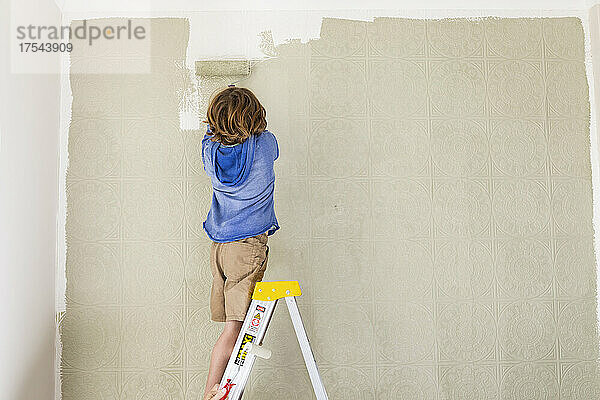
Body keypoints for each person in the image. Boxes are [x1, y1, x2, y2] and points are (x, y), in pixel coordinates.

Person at [200, 86, 279, 400]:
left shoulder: (209, 151)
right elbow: (264, 134)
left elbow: (211, 133)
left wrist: (221, 114)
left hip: (219, 250)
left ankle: (211, 391)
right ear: (255, 118)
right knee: (235, 331)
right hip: (246, 248)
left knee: (230, 330)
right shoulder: (265, 146)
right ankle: (211, 395)